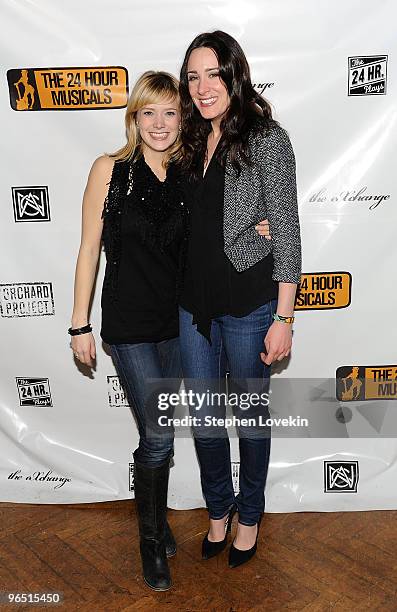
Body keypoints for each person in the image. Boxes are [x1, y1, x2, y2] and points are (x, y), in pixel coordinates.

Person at [178, 31, 302, 568]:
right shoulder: (184, 138)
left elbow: (288, 231)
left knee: (250, 421)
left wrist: (284, 317)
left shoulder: (265, 138)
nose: (203, 87)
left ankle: (250, 515)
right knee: (206, 422)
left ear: (234, 75)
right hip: (193, 308)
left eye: (213, 74)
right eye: (193, 76)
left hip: (252, 309)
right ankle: (218, 510)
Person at [69, 71, 187, 592]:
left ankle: (156, 521)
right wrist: (79, 324)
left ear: (182, 118)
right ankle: (150, 541)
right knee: (160, 437)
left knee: (157, 435)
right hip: (129, 326)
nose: (160, 124)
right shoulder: (110, 170)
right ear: (133, 118)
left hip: (182, 326)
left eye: (170, 112)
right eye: (149, 112)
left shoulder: (192, 172)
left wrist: (258, 227)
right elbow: (89, 249)